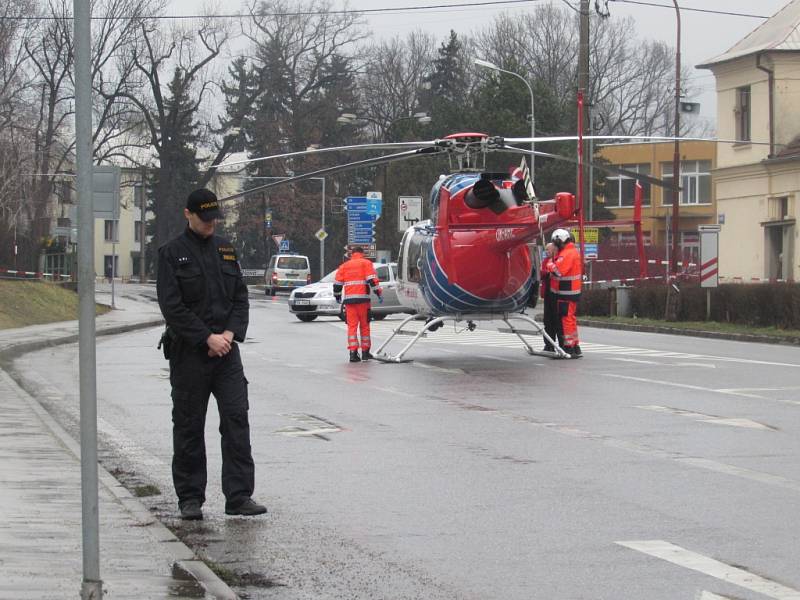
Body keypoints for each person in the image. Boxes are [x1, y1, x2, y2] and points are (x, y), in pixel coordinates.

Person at [157, 188, 266, 520]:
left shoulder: (225, 250)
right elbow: (171, 306)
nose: (211, 225)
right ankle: (190, 498)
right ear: (188, 215)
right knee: (189, 425)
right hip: (190, 353)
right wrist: (206, 338)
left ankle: (239, 496)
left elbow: (240, 298)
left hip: (227, 353)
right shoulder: (171, 253)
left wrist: (229, 335)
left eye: (214, 219)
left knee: (236, 418)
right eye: (205, 219)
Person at [333, 246, 383, 362]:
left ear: (352, 254)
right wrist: (378, 293)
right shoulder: (366, 263)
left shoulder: (344, 266)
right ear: (362, 253)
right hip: (363, 302)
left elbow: (337, 285)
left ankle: (353, 353)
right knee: (365, 327)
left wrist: (337, 296)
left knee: (352, 327)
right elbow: (372, 280)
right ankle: (365, 353)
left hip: (349, 302)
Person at [545, 228, 583, 357]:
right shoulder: (572, 251)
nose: (555, 246)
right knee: (571, 319)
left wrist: (550, 264)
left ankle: (568, 347)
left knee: (566, 319)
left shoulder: (567, 253)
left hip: (566, 292)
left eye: (555, 243)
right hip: (571, 292)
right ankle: (574, 345)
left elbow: (558, 271)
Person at [540, 242, 562, 352]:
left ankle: (561, 344)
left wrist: (550, 271)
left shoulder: (559, 260)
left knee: (556, 320)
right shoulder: (545, 261)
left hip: (556, 295)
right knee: (547, 321)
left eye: (548, 250)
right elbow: (542, 273)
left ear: (554, 250)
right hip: (548, 294)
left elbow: (559, 272)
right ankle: (548, 345)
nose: (546, 252)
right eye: (546, 250)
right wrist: (547, 272)